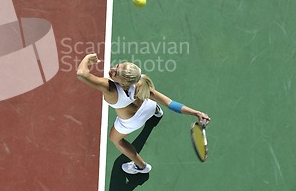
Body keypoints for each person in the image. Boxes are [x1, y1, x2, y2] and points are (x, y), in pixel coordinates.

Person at [76, 53, 210, 174]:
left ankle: (141, 167)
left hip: (131, 122)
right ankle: (157, 112)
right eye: (117, 66)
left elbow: (81, 74)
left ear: (123, 83)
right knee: (153, 103)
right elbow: (170, 103)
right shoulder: (140, 83)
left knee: (116, 140)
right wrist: (196, 112)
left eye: (116, 72)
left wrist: (87, 57)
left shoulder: (109, 88)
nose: (112, 70)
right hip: (149, 107)